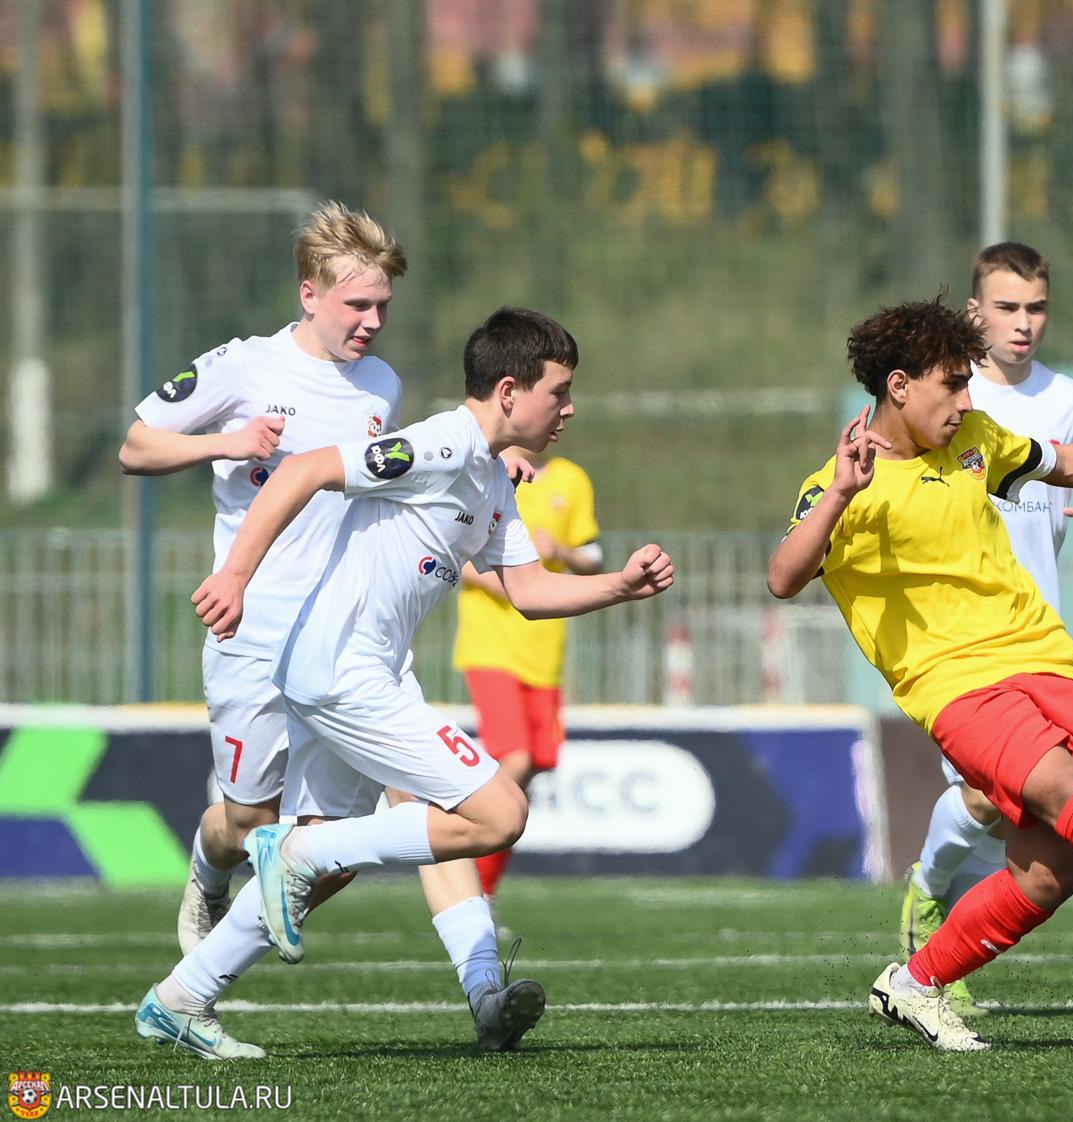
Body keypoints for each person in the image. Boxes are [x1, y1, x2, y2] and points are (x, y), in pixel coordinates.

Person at [134, 307, 675, 1058]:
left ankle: (181, 996)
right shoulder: (443, 443)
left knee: (333, 863)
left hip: (358, 670)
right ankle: (302, 858)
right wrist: (234, 573)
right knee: (498, 811)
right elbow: (304, 469)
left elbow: (528, 591)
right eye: (560, 391)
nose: (570, 408)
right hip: (342, 670)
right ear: (510, 391)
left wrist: (621, 585)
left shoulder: (490, 476)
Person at [769, 297, 1073, 1053]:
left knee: (1049, 873)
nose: (964, 400)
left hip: (1043, 659)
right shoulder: (843, 484)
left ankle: (915, 984)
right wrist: (841, 492)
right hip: (959, 687)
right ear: (899, 386)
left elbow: (1062, 461)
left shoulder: (973, 437)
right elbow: (783, 577)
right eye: (951, 384)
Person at [116, 203, 524, 1041]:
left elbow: (387, 470)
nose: (371, 321)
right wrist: (228, 443)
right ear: (309, 293)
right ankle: (208, 874)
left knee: (397, 804)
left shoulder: (383, 386)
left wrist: (492, 459)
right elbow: (136, 445)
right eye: (355, 304)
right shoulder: (246, 365)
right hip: (253, 628)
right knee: (248, 826)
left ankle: (485, 985)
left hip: (347, 635)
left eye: (382, 306)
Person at [896, 241, 1073, 1019]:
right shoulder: (946, 395)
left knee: (1013, 814)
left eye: (1036, 308)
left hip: (1037, 636)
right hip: (961, 639)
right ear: (976, 310)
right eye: (1007, 307)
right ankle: (930, 903)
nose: (1023, 322)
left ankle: (937, 933)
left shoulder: (1068, 397)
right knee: (990, 793)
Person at [455, 447, 603, 932]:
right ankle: (460, 872)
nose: (563, 415)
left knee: (532, 768)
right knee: (514, 758)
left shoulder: (572, 478)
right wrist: (514, 585)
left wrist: (561, 553)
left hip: (545, 655)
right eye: (556, 407)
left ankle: (483, 888)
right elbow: (453, 550)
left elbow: (594, 555)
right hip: (491, 649)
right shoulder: (485, 468)